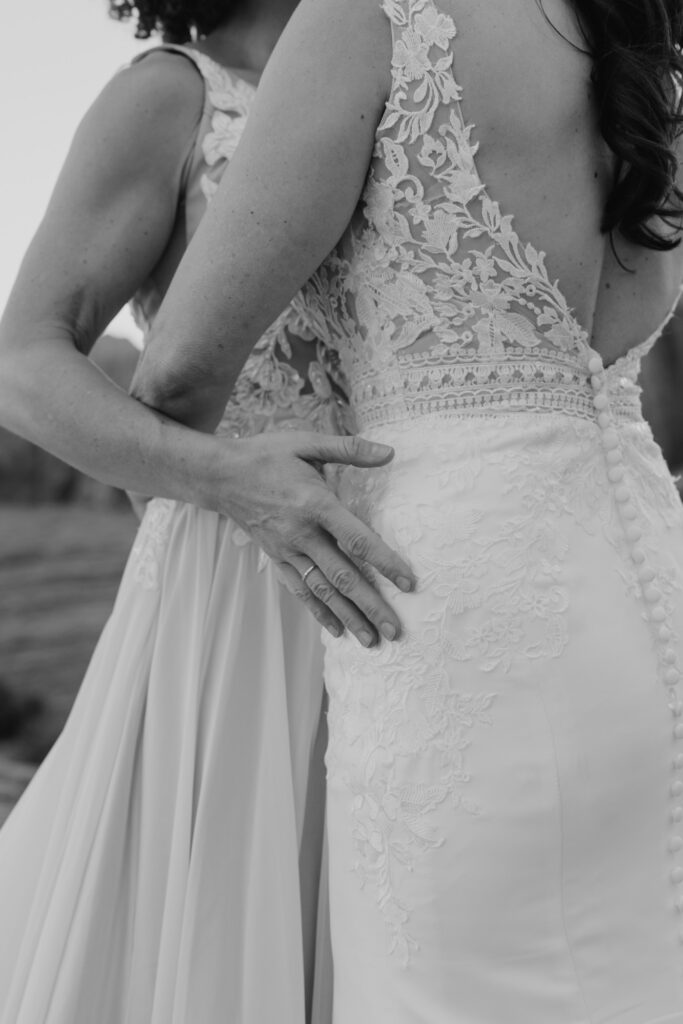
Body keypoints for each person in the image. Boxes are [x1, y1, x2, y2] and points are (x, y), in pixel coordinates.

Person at [128, 0, 683, 1018]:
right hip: (648, 592)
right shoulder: (633, 42)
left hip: (455, 616)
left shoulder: (369, 16)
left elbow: (174, 372)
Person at [0, 1, 419, 1021]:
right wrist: (224, 476)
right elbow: (22, 365)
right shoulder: (171, 96)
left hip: (413, 568)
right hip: (242, 591)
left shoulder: (416, 70)